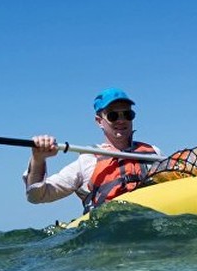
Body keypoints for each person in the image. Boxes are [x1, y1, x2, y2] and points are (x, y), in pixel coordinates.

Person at [22, 88, 162, 212]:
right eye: (113, 116)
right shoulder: (87, 161)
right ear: (99, 121)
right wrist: (38, 159)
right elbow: (36, 196)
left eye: (127, 114)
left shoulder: (153, 153)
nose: (121, 120)